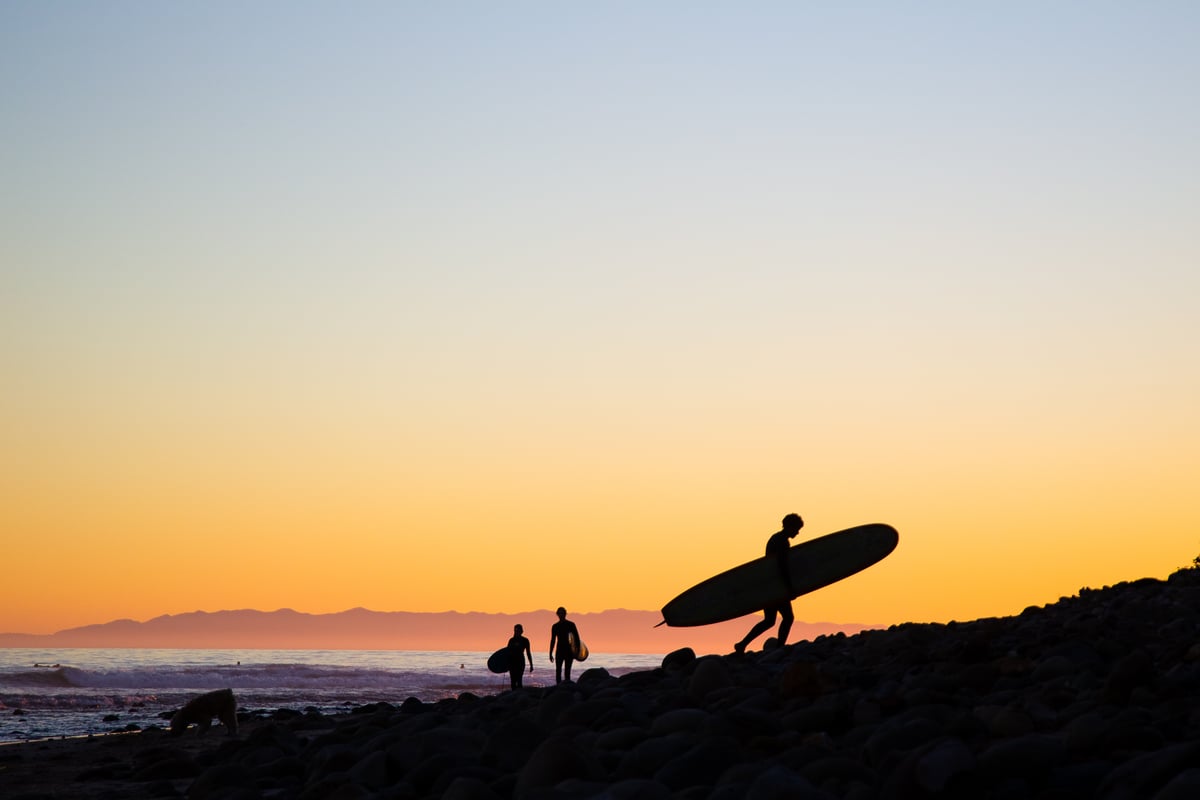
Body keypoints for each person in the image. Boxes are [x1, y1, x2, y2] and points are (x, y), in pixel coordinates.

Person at [735, 513, 804, 653]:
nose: (798, 532)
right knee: (788, 617)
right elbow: (782, 566)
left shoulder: (775, 538)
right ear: (789, 526)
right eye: (796, 529)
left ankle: (742, 644)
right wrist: (789, 588)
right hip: (776, 586)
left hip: (768, 586)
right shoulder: (782, 542)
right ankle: (780, 648)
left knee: (769, 620)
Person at [548, 606, 581, 684]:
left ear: (565, 614)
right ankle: (558, 687)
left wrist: (577, 651)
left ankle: (567, 688)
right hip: (559, 650)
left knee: (567, 671)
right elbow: (553, 640)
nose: (561, 615)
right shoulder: (555, 626)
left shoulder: (571, 624)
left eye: (563, 613)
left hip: (569, 651)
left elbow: (577, 638)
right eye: (560, 613)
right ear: (557, 614)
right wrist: (550, 653)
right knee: (558, 670)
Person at [506, 624, 533, 689]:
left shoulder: (525, 640)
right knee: (513, 681)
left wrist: (531, 665)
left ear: (522, 631)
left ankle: (519, 696)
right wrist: (506, 665)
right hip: (512, 662)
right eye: (515, 630)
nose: (516, 632)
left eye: (518, 630)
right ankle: (514, 696)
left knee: (519, 680)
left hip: (520, 662)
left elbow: (528, 653)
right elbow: (507, 653)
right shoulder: (511, 640)